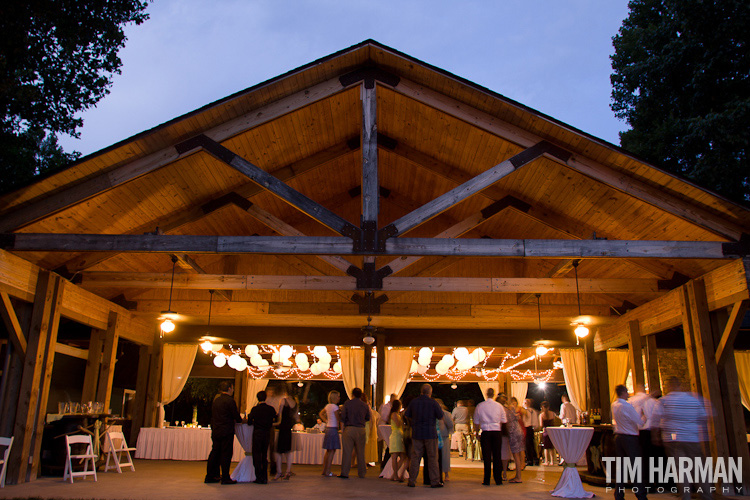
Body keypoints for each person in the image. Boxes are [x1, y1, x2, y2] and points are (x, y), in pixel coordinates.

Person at [653, 377, 710, 500]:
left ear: (668, 386)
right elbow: (704, 418)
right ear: (680, 385)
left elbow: (655, 420)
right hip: (692, 439)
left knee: (680, 470)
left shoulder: (664, 401)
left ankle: (686, 497)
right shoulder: (693, 399)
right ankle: (706, 496)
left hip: (673, 439)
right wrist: (703, 435)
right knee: (698, 470)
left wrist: (655, 436)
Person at [611, 385, 648, 500]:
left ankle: (619, 494)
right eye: (627, 392)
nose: (628, 394)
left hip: (619, 437)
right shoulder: (627, 406)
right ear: (623, 393)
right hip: (630, 438)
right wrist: (644, 416)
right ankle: (640, 494)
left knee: (621, 467)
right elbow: (639, 422)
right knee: (635, 467)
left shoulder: (614, 405)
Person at [404, 383, 444, 488]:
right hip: (430, 433)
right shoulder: (433, 403)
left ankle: (412, 480)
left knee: (415, 458)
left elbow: (406, 415)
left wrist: (413, 423)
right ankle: (434, 481)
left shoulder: (414, 402)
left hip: (417, 433)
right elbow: (440, 416)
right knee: (432, 458)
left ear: (421, 391)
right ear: (430, 392)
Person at [205, 380, 243, 485]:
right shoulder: (230, 401)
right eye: (232, 388)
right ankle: (225, 477)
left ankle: (210, 476)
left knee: (215, 453)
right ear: (230, 388)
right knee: (226, 454)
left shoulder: (216, 400)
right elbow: (237, 417)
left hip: (216, 430)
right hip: (226, 431)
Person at [474, 387, 506, 486]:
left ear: (486, 394)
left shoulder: (480, 406)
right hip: (496, 431)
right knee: (497, 456)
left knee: (486, 456)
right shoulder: (499, 406)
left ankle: (486, 479)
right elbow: (504, 420)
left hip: (486, 431)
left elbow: (476, 421)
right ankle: (498, 479)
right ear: (494, 394)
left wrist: (476, 432)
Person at [628, 384, 659, 487]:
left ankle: (643, 481)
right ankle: (654, 481)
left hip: (637, 432)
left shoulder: (632, 401)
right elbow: (658, 416)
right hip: (651, 431)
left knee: (640, 458)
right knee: (652, 457)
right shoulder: (652, 401)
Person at [339, 387, 370, 478]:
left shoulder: (348, 403)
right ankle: (362, 473)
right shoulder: (364, 405)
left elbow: (343, 417)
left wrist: (342, 429)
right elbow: (367, 418)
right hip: (361, 429)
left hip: (350, 428)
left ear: (352, 394)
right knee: (361, 452)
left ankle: (345, 472)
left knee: (347, 452)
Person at [247, 390, 277, 484]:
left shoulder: (255, 409)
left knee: (256, 455)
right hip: (267, 433)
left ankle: (258, 476)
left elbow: (249, 422)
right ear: (266, 398)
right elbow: (276, 418)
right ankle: (265, 477)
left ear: (257, 398)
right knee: (264, 455)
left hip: (257, 433)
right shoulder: (271, 409)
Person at [273, 389, 297, 480]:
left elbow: (279, 414)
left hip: (283, 426)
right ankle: (288, 471)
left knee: (278, 451)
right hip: (289, 427)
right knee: (288, 450)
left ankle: (279, 472)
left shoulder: (283, 400)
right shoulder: (295, 403)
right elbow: (296, 417)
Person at [319, 390, 341, 477]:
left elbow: (321, 413)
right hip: (333, 429)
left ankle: (325, 470)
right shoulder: (335, 407)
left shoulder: (328, 406)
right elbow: (338, 418)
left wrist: (326, 420)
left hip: (328, 428)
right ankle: (328, 470)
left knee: (328, 450)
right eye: (338, 396)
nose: (339, 398)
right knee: (332, 450)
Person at [506, 397, 526, 482]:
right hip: (519, 429)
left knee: (516, 454)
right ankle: (519, 472)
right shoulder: (514, 409)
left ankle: (518, 476)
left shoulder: (507, 410)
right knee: (519, 450)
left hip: (513, 431)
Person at [387, 399, 407, 481]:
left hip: (399, 435)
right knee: (395, 456)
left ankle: (394, 474)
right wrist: (402, 418)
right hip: (396, 435)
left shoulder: (396, 414)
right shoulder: (394, 414)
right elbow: (399, 424)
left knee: (402, 456)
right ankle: (395, 474)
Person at [436, 398, 454, 482]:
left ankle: (446, 473)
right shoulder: (443, 413)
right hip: (439, 435)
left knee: (444, 455)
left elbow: (450, 424)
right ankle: (442, 473)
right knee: (442, 455)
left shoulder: (445, 414)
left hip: (443, 435)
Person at [539, 401, 557, 465]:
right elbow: (554, 422)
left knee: (546, 447)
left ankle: (546, 461)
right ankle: (552, 461)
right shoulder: (552, 413)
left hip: (545, 431)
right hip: (551, 431)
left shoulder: (541, 415)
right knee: (551, 447)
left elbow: (541, 425)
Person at [522, 399, 540, 466]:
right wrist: (535, 427)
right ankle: (535, 459)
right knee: (532, 444)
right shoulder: (533, 411)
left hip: (527, 428)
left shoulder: (526, 411)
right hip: (531, 428)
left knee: (528, 445)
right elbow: (535, 422)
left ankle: (530, 460)